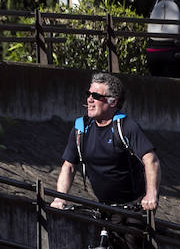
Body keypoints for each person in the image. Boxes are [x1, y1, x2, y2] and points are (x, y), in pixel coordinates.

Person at [50, 72, 160, 214]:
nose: (89, 100)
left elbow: (151, 160)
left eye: (95, 96)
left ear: (112, 101)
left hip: (134, 207)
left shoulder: (125, 126)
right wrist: (60, 198)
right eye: (88, 94)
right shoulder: (81, 128)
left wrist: (151, 194)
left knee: (131, 235)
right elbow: (69, 166)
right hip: (104, 207)